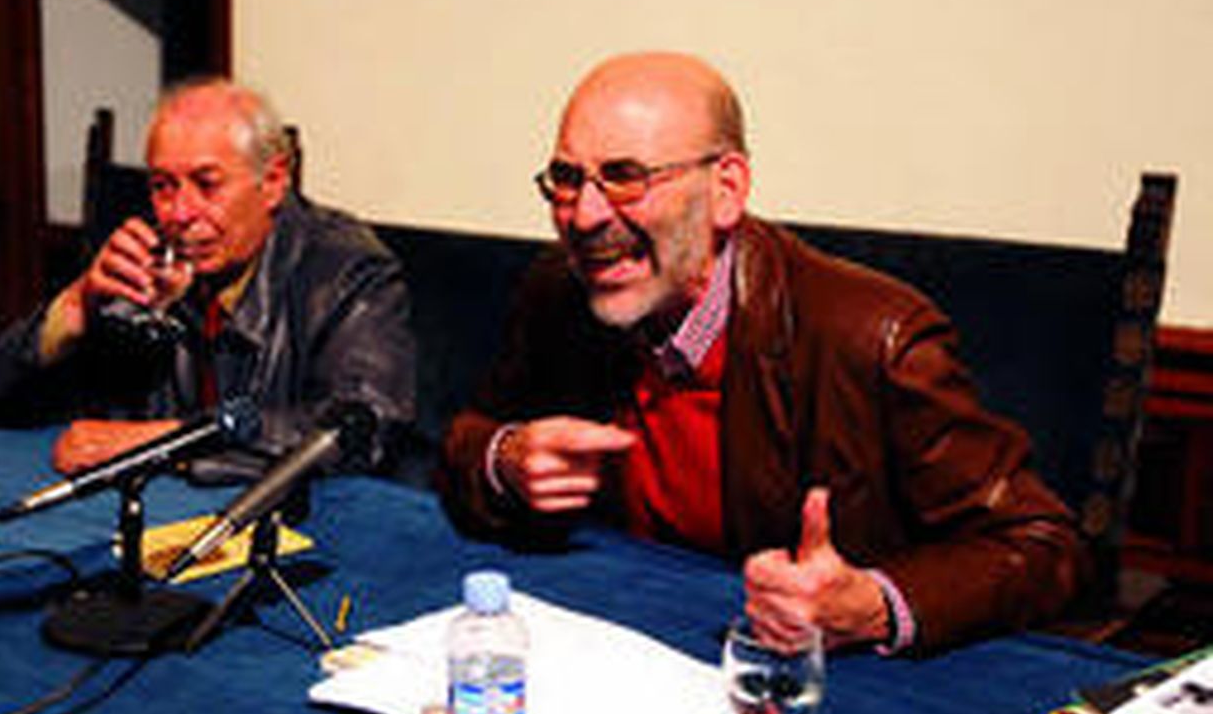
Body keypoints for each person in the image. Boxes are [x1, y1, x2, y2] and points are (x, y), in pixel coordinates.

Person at [437, 51, 1088, 655]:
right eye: (566, 178)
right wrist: (506, 458)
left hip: (812, 687)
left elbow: (1043, 546)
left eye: (626, 178)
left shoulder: (876, 339)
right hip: (618, 648)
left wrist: (875, 603)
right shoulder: (560, 293)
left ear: (727, 189)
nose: (583, 215)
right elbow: (467, 438)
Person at [0, 77, 416, 481]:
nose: (179, 214)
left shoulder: (347, 271)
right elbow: (0, 402)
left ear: (274, 181)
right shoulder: (147, 258)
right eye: (163, 186)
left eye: (206, 185)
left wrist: (171, 441)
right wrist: (77, 305)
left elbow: (363, 431)